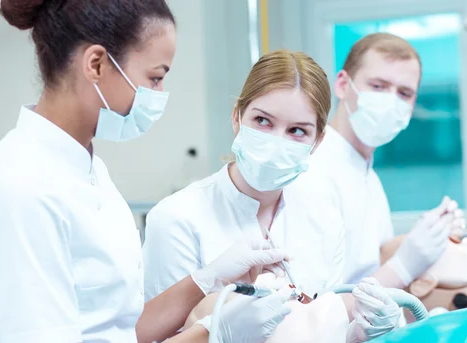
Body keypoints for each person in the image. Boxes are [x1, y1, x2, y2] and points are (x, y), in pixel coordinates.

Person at [0, 1, 293, 343]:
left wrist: (208, 280)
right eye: (154, 78)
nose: (159, 95)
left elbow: (119, 328)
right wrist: (210, 336)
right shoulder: (21, 183)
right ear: (96, 64)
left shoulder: (89, 169)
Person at [291, 32, 465, 342]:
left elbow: (368, 265)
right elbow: (315, 311)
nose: (390, 101)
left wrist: (433, 242)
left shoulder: (367, 174)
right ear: (344, 85)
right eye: (378, 86)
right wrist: (406, 262)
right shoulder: (312, 171)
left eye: (404, 93)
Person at [142, 50, 345, 302]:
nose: (275, 143)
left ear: (317, 142)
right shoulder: (177, 218)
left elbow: (329, 320)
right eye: (262, 121)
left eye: (297, 130)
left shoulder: (325, 218)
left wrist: (356, 326)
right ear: (236, 117)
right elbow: (161, 336)